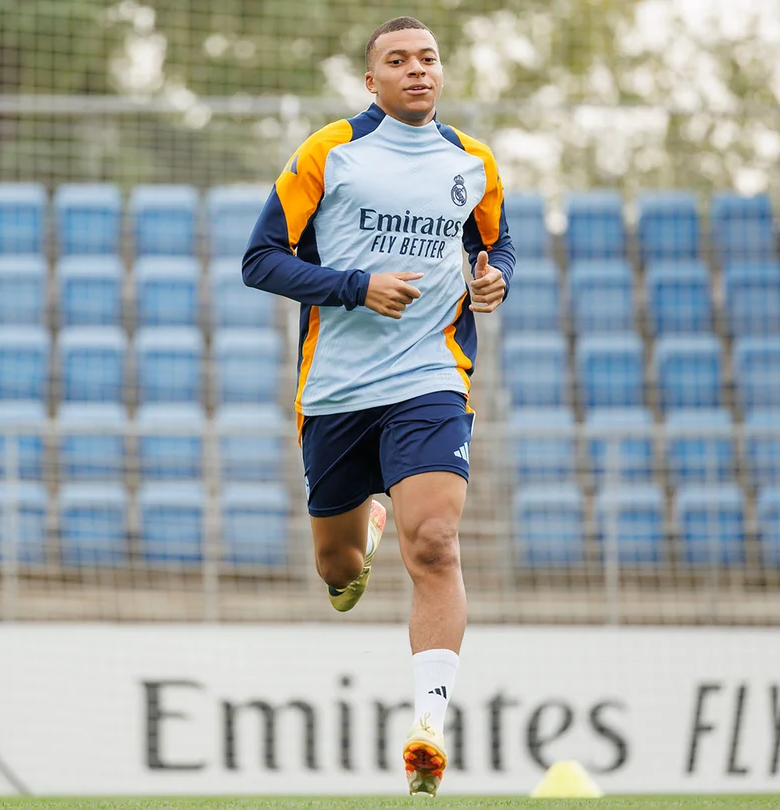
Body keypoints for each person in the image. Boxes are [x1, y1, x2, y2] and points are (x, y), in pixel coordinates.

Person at [241, 14, 515, 796]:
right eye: (398, 61)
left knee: (435, 544)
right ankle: (361, 522)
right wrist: (354, 286)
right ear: (372, 82)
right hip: (335, 392)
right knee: (339, 572)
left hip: (431, 377)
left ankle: (428, 727)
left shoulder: (473, 163)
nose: (417, 70)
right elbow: (259, 260)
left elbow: (497, 247)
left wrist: (493, 278)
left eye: (427, 58)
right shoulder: (331, 153)